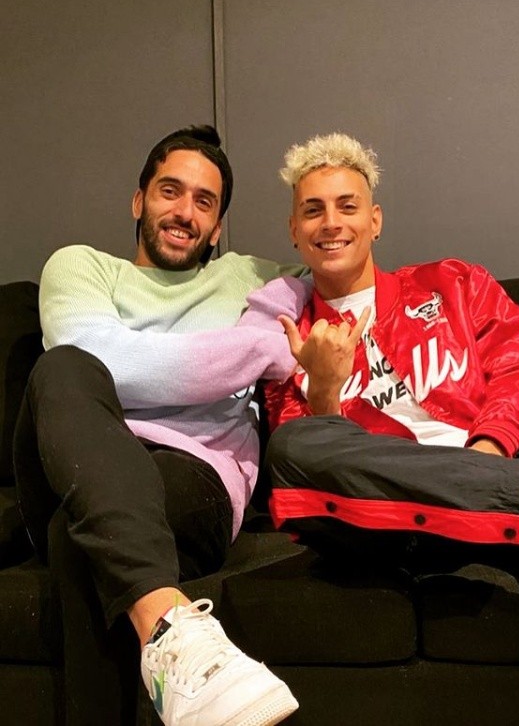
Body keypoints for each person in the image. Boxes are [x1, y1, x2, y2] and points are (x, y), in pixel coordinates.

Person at [251, 132, 519, 720]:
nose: (331, 222)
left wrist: (485, 456)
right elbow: (312, 470)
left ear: (375, 220)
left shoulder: (454, 284)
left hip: (508, 479)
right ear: (293, 230)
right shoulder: (288, 337)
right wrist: (325, 389)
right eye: (313, 210)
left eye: (347, 206)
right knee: (292, 445)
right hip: (385, 524)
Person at [13, 124, 307, 726]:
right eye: (170, 191)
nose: (184, 213)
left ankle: (164, 631)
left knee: (80, 537)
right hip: (77, 464)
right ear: (138, 200)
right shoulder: (81, 267)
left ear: (217, 226)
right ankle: (175, 630)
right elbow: (102, 360)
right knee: (64, 366)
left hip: (196, 474)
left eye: (204, 202)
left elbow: (333, 285)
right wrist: (256, 349)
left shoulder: (257, 277)